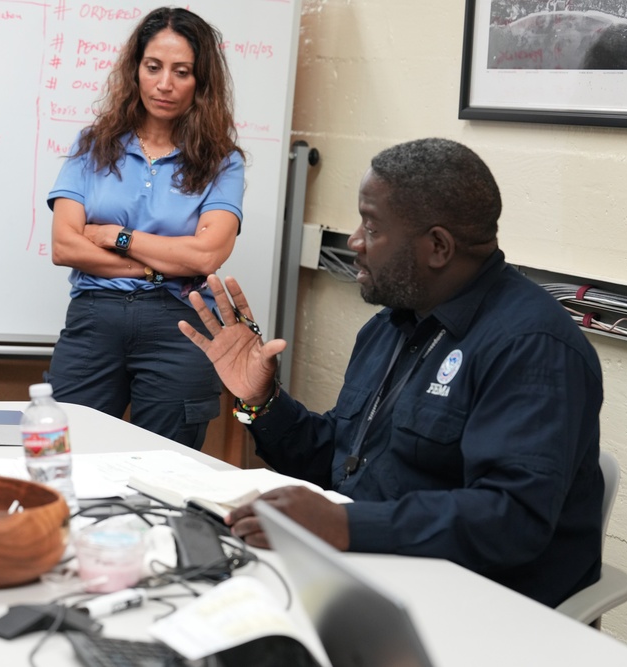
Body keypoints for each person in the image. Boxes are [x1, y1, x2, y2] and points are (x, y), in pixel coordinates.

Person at [179, 138, 604, 608]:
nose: (355, 242)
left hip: (477, 604)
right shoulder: (392, 324)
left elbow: (512, 519)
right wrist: (259, 404)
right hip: (372, 571)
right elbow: (342, 463)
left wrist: (345, 525)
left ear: (437, 246)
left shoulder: (532, 348)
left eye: (372, 226)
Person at [46, 7, 245, 449]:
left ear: (202, 81)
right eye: (153, 67)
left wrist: (119, 238)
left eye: (182, 71)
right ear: (136, 69)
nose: (165, 84)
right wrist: (156, 267)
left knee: (165, 467)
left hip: (180, 327)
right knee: (66, 454)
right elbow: (65, 245)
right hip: (95, 320)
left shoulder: (222, 162)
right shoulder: (93, 145)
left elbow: (206, 255)